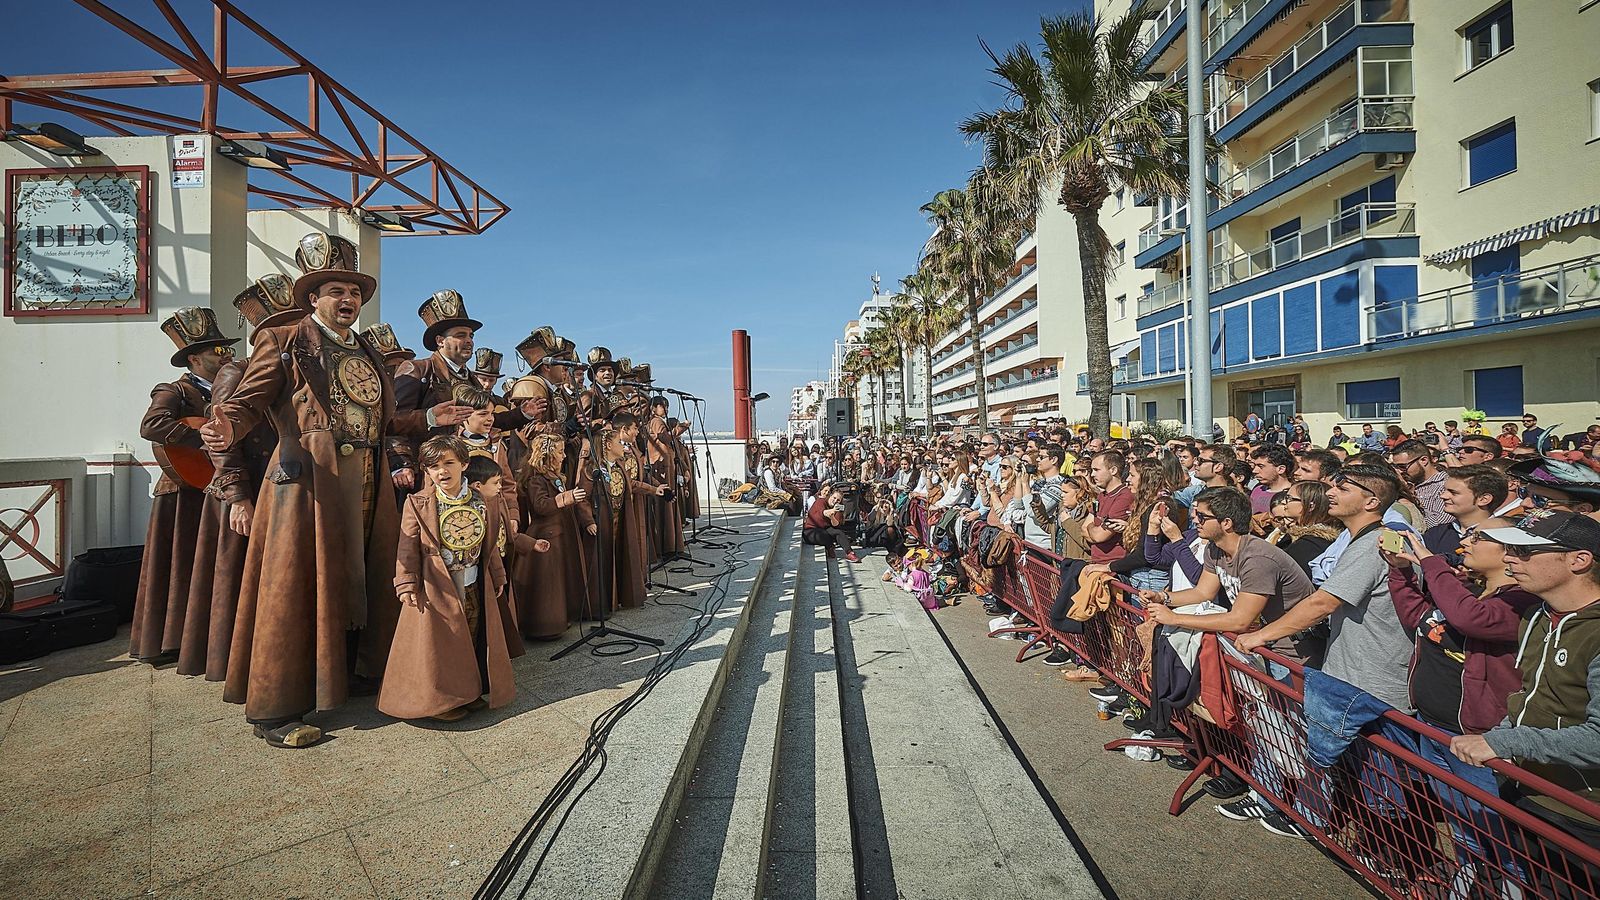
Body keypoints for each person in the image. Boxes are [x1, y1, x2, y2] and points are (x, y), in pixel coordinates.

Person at [201, 232, 459, 749]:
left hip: (365, 476)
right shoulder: (287, 339)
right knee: (295, 586)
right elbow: (249, 400)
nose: (348, 300)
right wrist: (227, 423)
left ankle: (359, 673)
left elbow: (385, 420)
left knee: (363, 576)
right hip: (310, 477)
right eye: (336, 290)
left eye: (355, 292)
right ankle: (277, 708)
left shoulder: (364, 347)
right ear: (313, 298)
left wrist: (428, 417)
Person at [1383, 522, 1537, 890]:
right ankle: (1469, 885)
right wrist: (1401, 570)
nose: (1465, 541)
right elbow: (1419, 618)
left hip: (1476, 739)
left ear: (1508, 553)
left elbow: (1471, 620)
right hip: (1433, 727)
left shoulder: (1521, 602)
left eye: (1478, 538)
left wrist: (1427, 558)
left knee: (1500, 841)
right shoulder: (1469, 590)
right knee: (1462, 826)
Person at [1452, 511, 1600, 854]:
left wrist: (1505, 743)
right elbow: (1529, 695)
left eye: (1525, 552)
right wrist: (1502, 738)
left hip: (1581, 814)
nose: (1508, 558)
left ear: (1579, 560)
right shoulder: (1537, 615)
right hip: (1526, 790)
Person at [200, 275, 310, 683]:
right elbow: (223, 438)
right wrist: (237, 496)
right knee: (248, 586)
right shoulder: (236, 372)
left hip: (285, 487)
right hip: (251, 489)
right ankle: (244, 665)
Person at [380, 437, 518, 723]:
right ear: (425, 471)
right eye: (433, 466)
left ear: (464, 465)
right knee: (444, 641)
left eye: (448, 463)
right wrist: (406, 582)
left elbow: (489, 545)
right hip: (437, 585)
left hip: (473, 581)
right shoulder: (418, 503)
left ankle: (469, 691)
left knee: (472, 632)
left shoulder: (482, 501)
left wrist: (498, 574)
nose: (441, 471)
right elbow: (407, 547)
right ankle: (443, 700)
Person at [131, 306, 240, 668]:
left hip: (217, 486)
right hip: (184, 489)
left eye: (227, 349)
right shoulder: (175, 389)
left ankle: (209, 636)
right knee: (179, 565)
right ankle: (171, 641)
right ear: (194, 358)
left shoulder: (235, 389)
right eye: (217, 351)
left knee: (213, 564)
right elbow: (152, 425)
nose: (227, 356)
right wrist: (200, 436)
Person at [389, 290, 542, 493]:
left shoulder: (471, 380)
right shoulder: (417, 369)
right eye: (460, 335)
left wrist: (522, 414)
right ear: (440, 341)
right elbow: (393, 422)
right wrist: (401, 463)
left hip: (467, 472)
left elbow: (486, 420)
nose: (469, 341)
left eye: (471, 336)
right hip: (430, 472)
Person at [514, 433, 591, 640]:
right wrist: (567, 498)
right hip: (548, 535)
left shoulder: (554, 477)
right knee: (548, 583)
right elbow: (540, 506)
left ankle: (560, 618)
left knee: (559, 579)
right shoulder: (536, 480)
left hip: (561, 533)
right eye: (559, 452)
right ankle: (545, 625)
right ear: (548, 455)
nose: (564, 456)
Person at [1423, 464, 1508, 567]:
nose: (1443, 496)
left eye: (1453, 493)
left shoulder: (1502, 539)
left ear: (1483, 499)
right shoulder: (1434, 534)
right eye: (1444, 490)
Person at [1084, 450, 1133, 563]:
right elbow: (1083, 529)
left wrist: (1091, 526)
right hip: (1096, 562)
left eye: (1096, 470)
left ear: (1113, 470)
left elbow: (1099, 536)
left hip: (1112, 566)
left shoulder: (1124, 497)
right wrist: (1093, 529)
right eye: (1092, 470)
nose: (1092, 474)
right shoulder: (1102, 495)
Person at [1389, 440, 1449, 529]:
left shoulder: (1445, 484)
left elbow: (1440, 522)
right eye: (1395, 467)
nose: (1400, 471)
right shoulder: (1410, 482)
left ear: (1424, 460)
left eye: (1403, 466)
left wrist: (1409, 500)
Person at [803, 487, 859, 562]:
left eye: (838, 500)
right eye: (834, 498)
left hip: (825, 527)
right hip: (811, 529)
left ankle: (849, 552)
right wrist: (830, 511)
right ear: (830, 496)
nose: (835, 501)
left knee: (839, 532)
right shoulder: (821, 501)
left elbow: (836, 524)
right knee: (823, 535)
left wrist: (832, 516)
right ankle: (830, 547)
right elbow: (821, 513)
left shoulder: (838, 507)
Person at [1248, 445, 1295, 514]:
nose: (1254, 471)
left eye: (1261, 466)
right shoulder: (1257, 490)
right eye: (1255, 466)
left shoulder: (1294, 495)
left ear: (1281, 469)